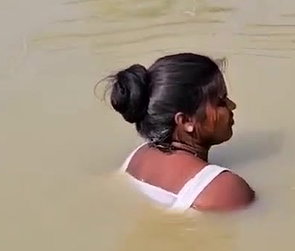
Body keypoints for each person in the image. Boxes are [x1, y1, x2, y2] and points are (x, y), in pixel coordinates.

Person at [105, 53, 256, 212]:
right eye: (220, 101)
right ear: (186, 121)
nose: (232, 106)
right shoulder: (224, 189)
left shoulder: (136, 159)